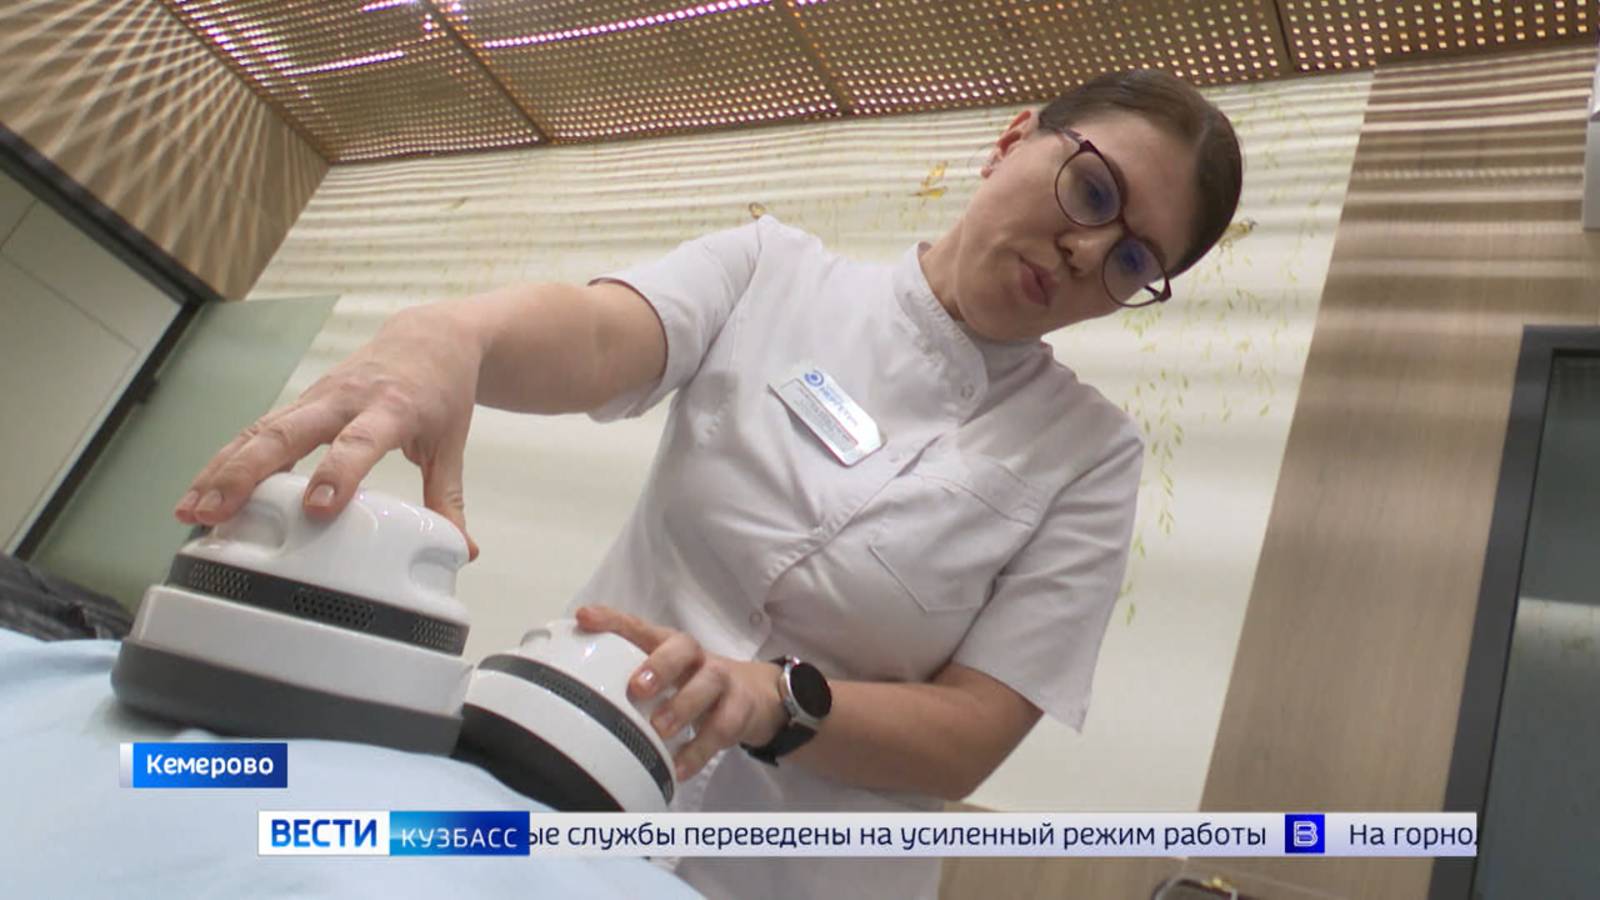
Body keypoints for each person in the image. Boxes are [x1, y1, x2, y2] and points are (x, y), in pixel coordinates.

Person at [174, 69, 1243, 899]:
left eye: (1131, 261)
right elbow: (601, 335)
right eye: (1090, 189)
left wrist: (772, 699)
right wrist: (453, 337)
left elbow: (972, 732)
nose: (1086, 249)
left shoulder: (1087, 455)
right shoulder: (776, 271)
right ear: (1012, 139)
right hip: (568, 789)